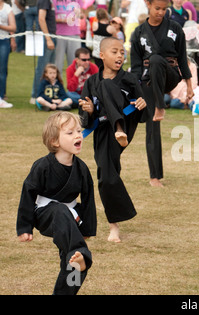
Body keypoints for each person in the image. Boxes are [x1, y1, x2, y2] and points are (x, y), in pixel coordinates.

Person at [16, 111, 97, 294]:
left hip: (69, 218)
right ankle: (82, 254)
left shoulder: (82, 169)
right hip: (45, 214)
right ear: (55, 141)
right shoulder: (42, 166)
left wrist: (87, 229)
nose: (78, 135)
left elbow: (88, 199)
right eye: (70, 133)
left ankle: (67, 286)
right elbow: (28, 194)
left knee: (71, 259)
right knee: (60, 211)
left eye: (78, 130)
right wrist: (24, 227)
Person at [79, 37, 147, 243]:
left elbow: (143, 116)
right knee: (107, 175)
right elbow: (84, 120)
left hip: (126, 127)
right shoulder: (91, 82)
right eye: (115, 52)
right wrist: (89, 111)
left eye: (122, 53)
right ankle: (114, 226)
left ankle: (118, 126)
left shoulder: (130, 79)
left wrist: (144, 104)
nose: (120, 56)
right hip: (103, 131)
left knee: (108, 86)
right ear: (101, 55)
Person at [130, 0, 193, 187]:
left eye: (164, 9)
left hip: (170, 75)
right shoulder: (139, 33)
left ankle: (160, 106)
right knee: (152, 127)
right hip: (148, 80)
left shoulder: (174, 28)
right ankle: (154, 176)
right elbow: (135, 68)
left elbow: (182, 58)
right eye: (157, 8)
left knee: (157, 60)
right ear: (147, 4)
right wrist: (136, 92)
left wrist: (189, 85)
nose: (161, 12)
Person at [30, 0, 57, 105]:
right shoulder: (44, 0)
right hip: (46, 37)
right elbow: (41, 19)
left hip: (52, 35)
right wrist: (48, 38)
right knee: (42, 68)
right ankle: (35, 95)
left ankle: (45, 94)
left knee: (50, 67)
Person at [54, 0, 82, 74]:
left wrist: (78, 13)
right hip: (59, 34)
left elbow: (82, 15)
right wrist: (63, 20)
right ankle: (57, 84)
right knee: (57, 63)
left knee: (75, 64)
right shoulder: (54, 1)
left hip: (74, 35)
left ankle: (74, 84)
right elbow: (49, 17)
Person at [0, 0, 16, 108]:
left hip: (3, 41)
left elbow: (13, 27)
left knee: (2, 70)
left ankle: (1, 97)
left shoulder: (7, 8)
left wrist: (0, 26)